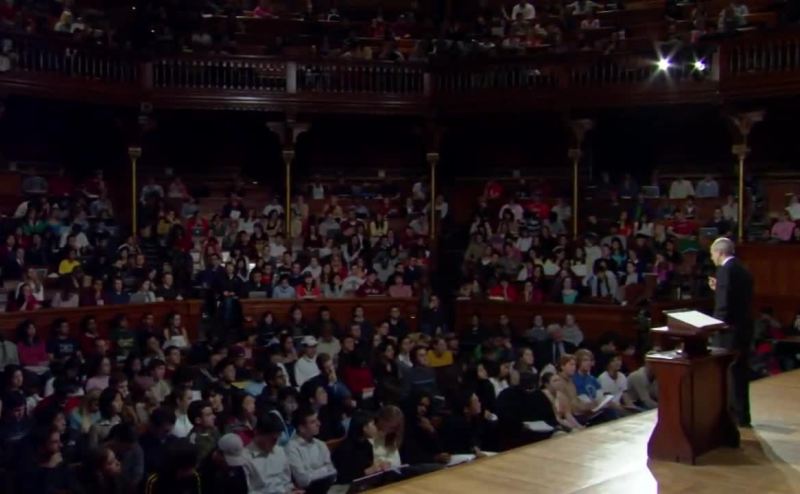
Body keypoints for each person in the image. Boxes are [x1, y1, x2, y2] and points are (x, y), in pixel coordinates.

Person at [709, 237, 754, 427]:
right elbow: (737, 297)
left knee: (728, 374)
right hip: (744, 328)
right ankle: (743, 416)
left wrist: (715, 325)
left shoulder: (725, 270)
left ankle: (730, 416)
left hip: (729, 333)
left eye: (712, 254)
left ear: (720, 252)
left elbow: (724, 304)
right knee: (740, 373)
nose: (712, 258)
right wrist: (718, 288)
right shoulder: (743, 269)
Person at [286, 408, 337, 494]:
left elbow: (333, 472)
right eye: (313, 422)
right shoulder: (291, 448)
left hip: (327, 489)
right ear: (302, 428)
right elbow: (303, 480)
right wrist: (324, 470)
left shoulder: (321, 444)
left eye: (317, 420)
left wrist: (312, 474)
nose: (319, 424)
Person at [247, 413, 299, 494]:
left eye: (277, 438)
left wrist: (291, 491)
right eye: (272, 438)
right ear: (257, 433)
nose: (275, 442)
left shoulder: (280, 451)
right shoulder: (245, 458)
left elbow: (286, 483)